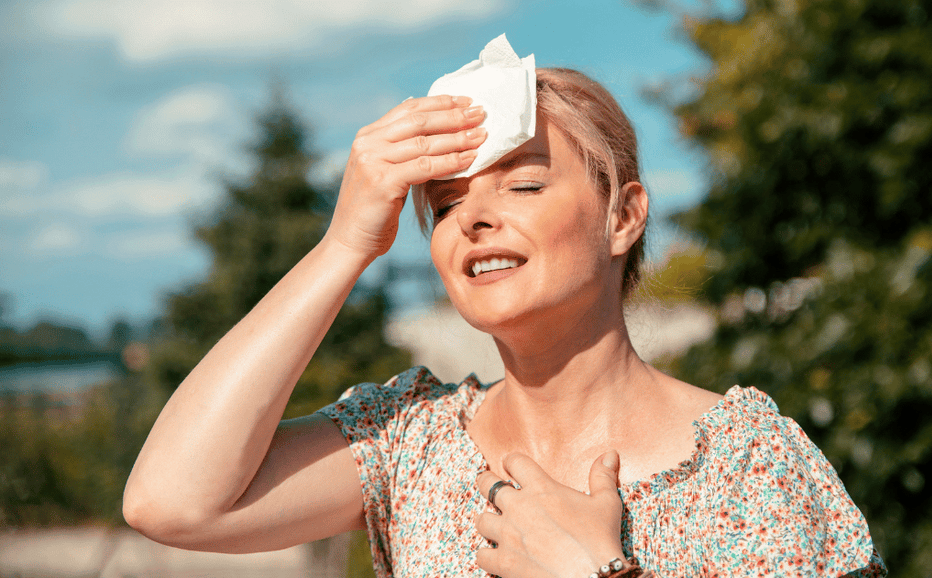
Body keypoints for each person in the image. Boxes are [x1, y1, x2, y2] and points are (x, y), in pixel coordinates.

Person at [123, 67, 886, 578]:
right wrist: (347, 242)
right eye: (447, 205)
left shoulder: (752, 465)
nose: (475, 218)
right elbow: (172, 502)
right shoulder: (407, 443)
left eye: (523, 184)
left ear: (623, 217)